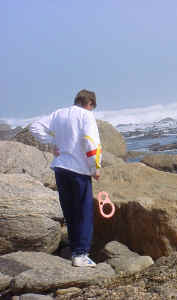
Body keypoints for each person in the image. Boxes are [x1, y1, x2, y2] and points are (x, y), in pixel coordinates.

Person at [30, 89, 102, 267]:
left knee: (70, 212)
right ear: (90, 104)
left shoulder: (58, 114)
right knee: (83, 213)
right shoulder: (86, 115)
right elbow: (91, 141)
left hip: (61, 168)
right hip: (79, 169)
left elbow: (34, 126)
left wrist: (51, 141)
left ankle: (75, 251)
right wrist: (95, 167)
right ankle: (81, 254)